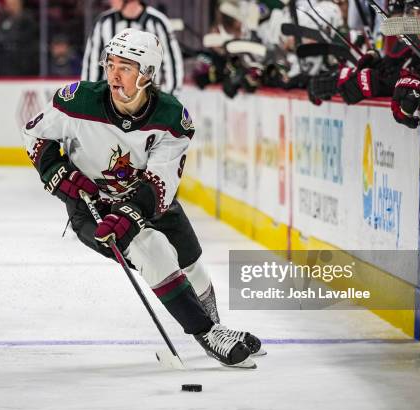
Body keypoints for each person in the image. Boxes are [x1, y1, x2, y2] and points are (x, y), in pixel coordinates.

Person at [23, 28, 263, 368]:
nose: (114, 74)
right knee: (152, 248)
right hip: (91, 208)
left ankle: (216, 328)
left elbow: (160, 181)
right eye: (110, 64)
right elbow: (35, 135)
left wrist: (129, 214)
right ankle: (208, 334)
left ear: (147, 73)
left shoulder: (171, 118)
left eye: (125, 66)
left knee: (191, 260)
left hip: (147, 200)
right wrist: (63, 179)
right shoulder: (76, 101)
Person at [81, 0, 183, 96]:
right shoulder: (103, 22)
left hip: (150, 101)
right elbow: (92, 62)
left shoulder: (158, 22)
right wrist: (91, 95)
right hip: (111, 101)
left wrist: (170, 95)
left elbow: (172, 62)